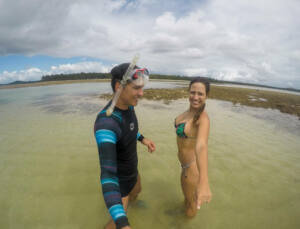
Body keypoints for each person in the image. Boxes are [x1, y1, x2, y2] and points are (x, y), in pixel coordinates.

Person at [94, 63, 156, 229]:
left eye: (142, 88)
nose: (141, 94)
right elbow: (107, 176)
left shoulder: (128, 105)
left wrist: (142, 138)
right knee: (117, 222)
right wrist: (123, 224)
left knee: (137, 192)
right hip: (119, 182)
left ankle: (132, 205)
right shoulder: (106, 123)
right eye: (136, 88)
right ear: (119, 86)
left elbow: (128, 129)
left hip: (133, 171)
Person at [174, 77, 212, 217]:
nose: (195, 97)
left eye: (200, 94)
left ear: (207, 96)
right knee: (187, 199)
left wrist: (204, 181)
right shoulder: (187, 113)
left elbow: (201, 146)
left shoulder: (203, 119)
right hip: (184, 167)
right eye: (192, 92)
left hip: (191, 169)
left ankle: (184, 224)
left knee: (192, 204)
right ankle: (181, 217)